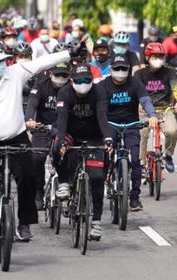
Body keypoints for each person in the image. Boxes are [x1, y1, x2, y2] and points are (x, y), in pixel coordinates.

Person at [0, 39, 71, 241]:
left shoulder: (14, 73)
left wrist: (67, 53)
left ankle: (24, 223)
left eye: (4, 59)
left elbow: (41, 63)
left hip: (17, 137)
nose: (3, 64)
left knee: (28, 177)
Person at [54, 64, 112, 240]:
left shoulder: (99, 92)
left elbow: (103, 117)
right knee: (58, 146)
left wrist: (108, 138)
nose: (83, 84)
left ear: (92, 81)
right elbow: (62, 120)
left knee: (96, 178)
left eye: (86, 80)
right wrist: (62, 140)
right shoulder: (64, 93)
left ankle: (96, 223)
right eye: (79, 80)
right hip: (72, 134)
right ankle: (64, 182)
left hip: (94, 136)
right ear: (71, 81)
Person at [99, 55, 158, 211]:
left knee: (136, 160)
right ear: (111, 70)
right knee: (105, 154)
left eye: (123, 69)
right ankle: (104, 180)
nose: (120, 71)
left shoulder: (135, 83)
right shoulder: (103, 85)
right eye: (117, 68)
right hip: (110, 124)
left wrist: (152, 115)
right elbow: (100, 108)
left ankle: (134, 198)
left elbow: (145, 100)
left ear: (129, 70)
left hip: (131, 124)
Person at [25, 63, 71, 208]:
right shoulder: (40, 86)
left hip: (65, 128)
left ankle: (69, 185)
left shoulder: (72, 88)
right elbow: (31, 103)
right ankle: (39, 190)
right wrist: (29, 120)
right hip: (42, 127)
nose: (61, 78)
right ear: (50, 74)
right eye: (58, 75)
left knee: (69, 155)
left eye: (64, 75)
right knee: (36, 157)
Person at [134, 42, 177, 173]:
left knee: (172, 131)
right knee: (141, 134)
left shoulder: (170, 72)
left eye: (161, 56)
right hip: (144, 111)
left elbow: (175, 88)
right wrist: (137, 104)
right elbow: (135, 92)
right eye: (155, 56)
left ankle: (168, 155)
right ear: (147, 57)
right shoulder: (139, 74)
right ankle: (141, 163)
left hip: (165, 110)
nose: (158, 59)